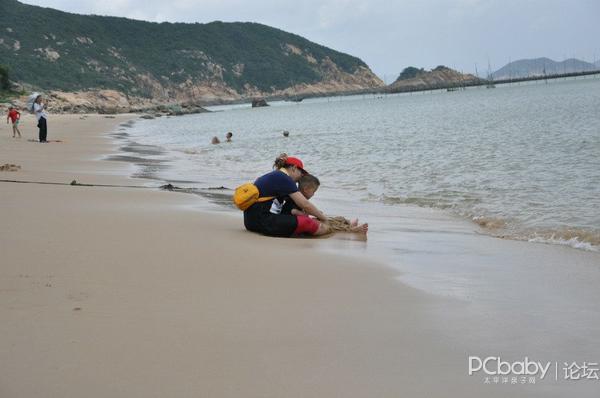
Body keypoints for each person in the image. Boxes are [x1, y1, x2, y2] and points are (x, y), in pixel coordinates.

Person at [243, 155, 330, 237]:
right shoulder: (284, 178)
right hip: (263, 221)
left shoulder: (275, 175)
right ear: (294, 168)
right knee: (307, 222)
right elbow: (305, 204)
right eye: (301, 173)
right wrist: (324, 218)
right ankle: (326, 228)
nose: (300, 178)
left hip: (251, 221)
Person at [282, 174, 369, 234]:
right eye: (314, 191)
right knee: (325, 223)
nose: (314, 194)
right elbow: (292, 211)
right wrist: (305, 213)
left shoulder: (299, 197)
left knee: (326, 218)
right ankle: (351, 230)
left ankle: (346, 222)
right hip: (294, 224)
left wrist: (312, 213)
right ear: (306, 189)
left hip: (300, 221)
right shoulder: (296, 199)